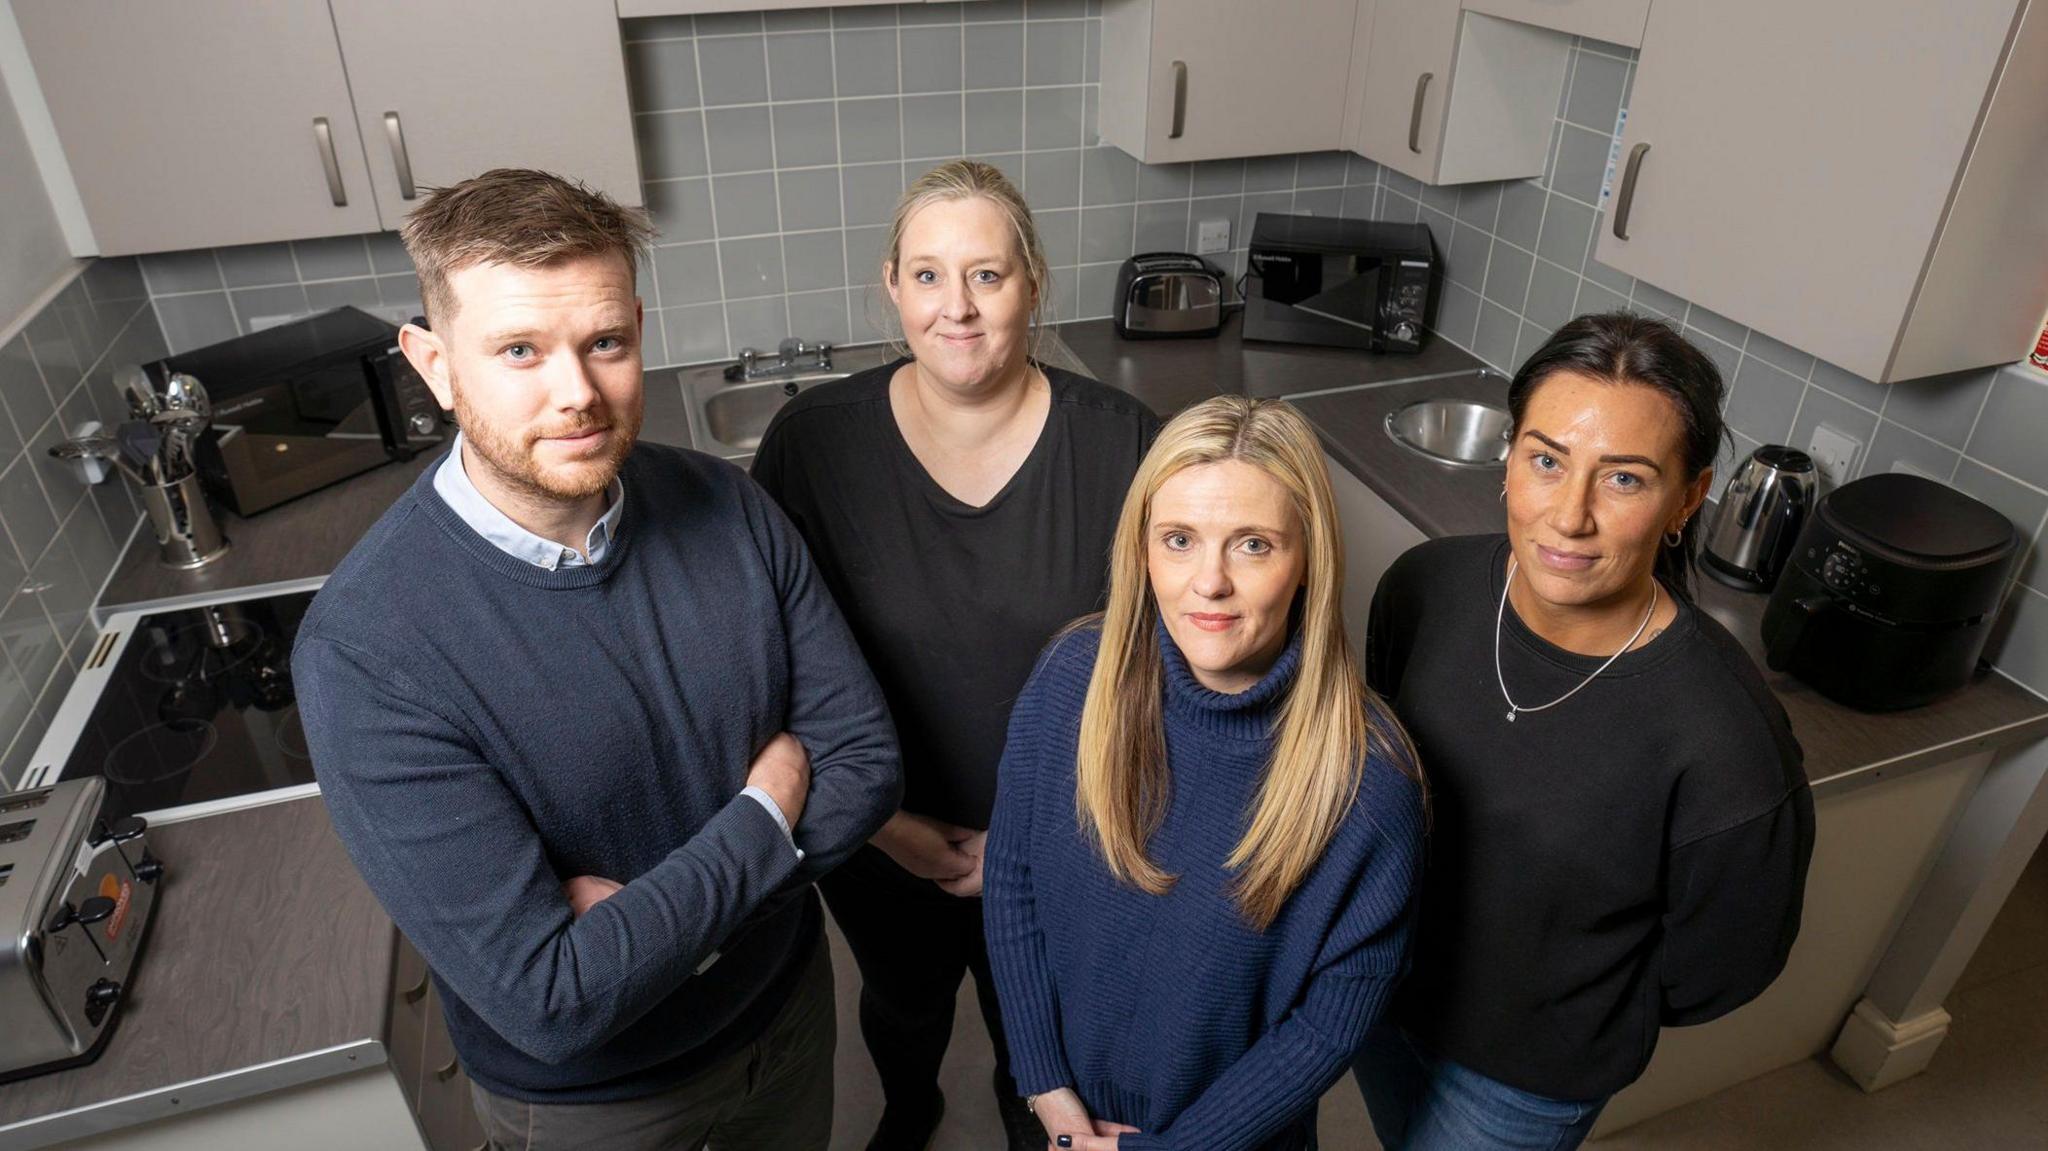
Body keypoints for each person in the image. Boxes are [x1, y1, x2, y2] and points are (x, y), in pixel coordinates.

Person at [293, 169, 901, 1151]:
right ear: (435, 364)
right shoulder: (368, 650)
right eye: (520, 350)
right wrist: (764, 815)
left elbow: (866, 765)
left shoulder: (729, 505)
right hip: (595, 1105)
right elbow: (552, 997)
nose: (576, 392)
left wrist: (637, 932)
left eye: (604, 342)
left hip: (785, 1019)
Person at [752, 158, 1158, 1151]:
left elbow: (1163, 675)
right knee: (902, 1003)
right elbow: (769, 669)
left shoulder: (1124, 445)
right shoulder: (812, 444)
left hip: (1071, 839)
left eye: (987, 274)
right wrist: (891, 828)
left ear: (1033, 282)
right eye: (927, 275)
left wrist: (1035, 839)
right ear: (889, 285)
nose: (957, 308)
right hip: (883, 838)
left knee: (1050, 1046)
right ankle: (910, 1106)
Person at [1350, 312, 1816, 1150]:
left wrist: (1574, 1007)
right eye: (1546, 460)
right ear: (1509, 457)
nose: (1569, 516)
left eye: (1625, 479)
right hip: (1379, 994)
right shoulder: (1426, 588)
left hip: (1523, 1080)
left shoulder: (1726, 744)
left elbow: (1721, 968)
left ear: (1688, 497)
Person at [983, 394, 1424, 1151]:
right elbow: (1012, 875)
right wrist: (1044, 1083)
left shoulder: (1369, 782)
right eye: (1179, 539)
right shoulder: (1069, 680)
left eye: (1253, 544)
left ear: (1308, 558)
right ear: (1141, 548)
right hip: (1056, 1118)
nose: (1208, 582)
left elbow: (1327, 1024)